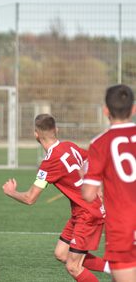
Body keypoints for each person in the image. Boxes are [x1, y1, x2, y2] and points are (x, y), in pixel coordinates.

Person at [2, 114, 110, 282]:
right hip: (81, 211)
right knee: (62, 253)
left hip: (87, 214)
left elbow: (30, 198)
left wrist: (11, 192)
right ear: (56, 130)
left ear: (36, 134)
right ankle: (113, 268)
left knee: (73, 267)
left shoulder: (49, 162)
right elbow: (92, 159)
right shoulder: (70, 146)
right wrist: (99, 186)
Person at [82, 84, 136, 282]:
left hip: (123, 228)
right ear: (133, 109)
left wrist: (84, 174)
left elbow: (89, 193)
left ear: (106, 111)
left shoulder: (101, 143)